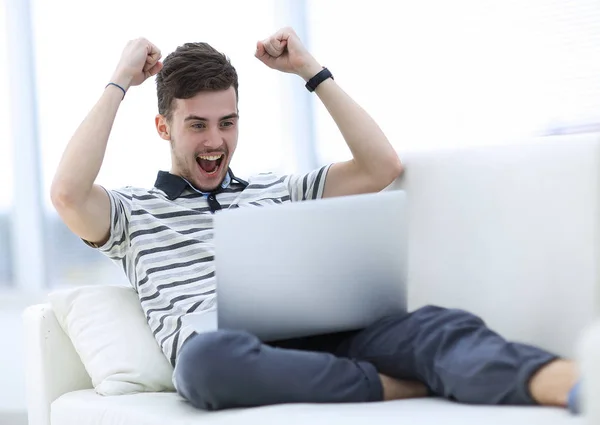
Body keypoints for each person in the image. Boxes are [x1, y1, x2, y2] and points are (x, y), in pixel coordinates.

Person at [51, 27, 581, 413]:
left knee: (435, 326)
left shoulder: (278, 188)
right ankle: (389, 386)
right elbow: (69, 193)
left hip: (326, 335)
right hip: (229, 353)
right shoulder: (132, 213)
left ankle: (573, 385)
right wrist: (119, 79)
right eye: (197, 125)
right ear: (164, 128)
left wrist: (310, 70)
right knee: (206, 364)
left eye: (228, 122)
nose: (216, 141)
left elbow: (381, 166)